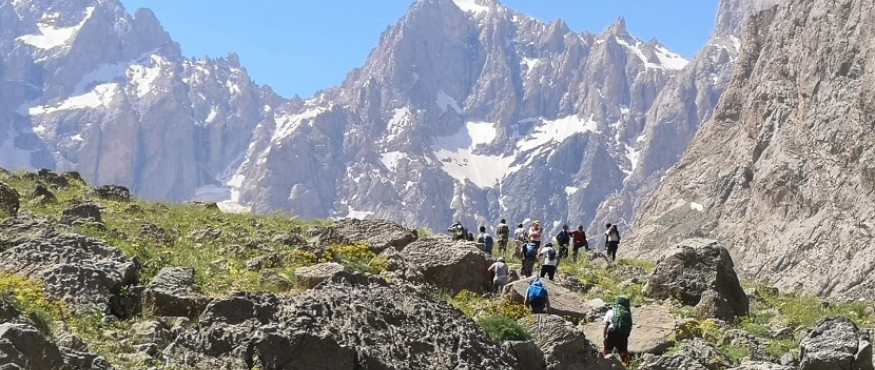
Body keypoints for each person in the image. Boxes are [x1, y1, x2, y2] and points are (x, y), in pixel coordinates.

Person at [603, 296, 633, 366]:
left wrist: (605, 338)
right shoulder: (627, 313)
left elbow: (606, 325)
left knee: (607, 350)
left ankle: (604, 364)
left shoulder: (611, 311)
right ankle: (627, 365)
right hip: (623, 334)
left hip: (612, 332)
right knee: (623, 352)